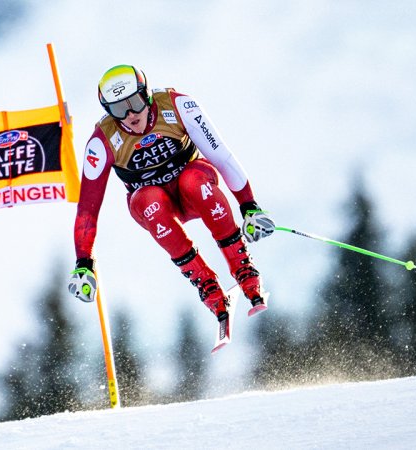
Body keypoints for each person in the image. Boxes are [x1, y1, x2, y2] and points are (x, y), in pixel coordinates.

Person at [68, 65, 275, 322]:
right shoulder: (102, 141)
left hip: (195, 189)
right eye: (119, 109)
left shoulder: (179, 107)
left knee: (192, 181)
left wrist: (249, 206)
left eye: (135, 101)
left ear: (148, 95)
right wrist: (84, 262)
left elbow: (221, 154)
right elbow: (88, 207)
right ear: (109, 112)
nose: (131, 114)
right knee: (149, 200)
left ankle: (243, 269)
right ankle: (206, 284)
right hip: (155, 205)